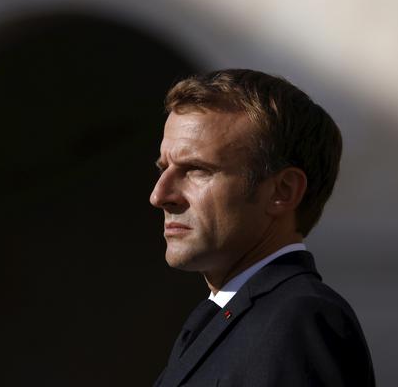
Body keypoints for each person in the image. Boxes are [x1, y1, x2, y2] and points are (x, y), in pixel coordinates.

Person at [150, 69, 375, 387]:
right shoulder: (234, 316)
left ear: (282, 192)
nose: (160, 196)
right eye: (164, 168)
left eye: (196, 170)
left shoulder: (299, 320)